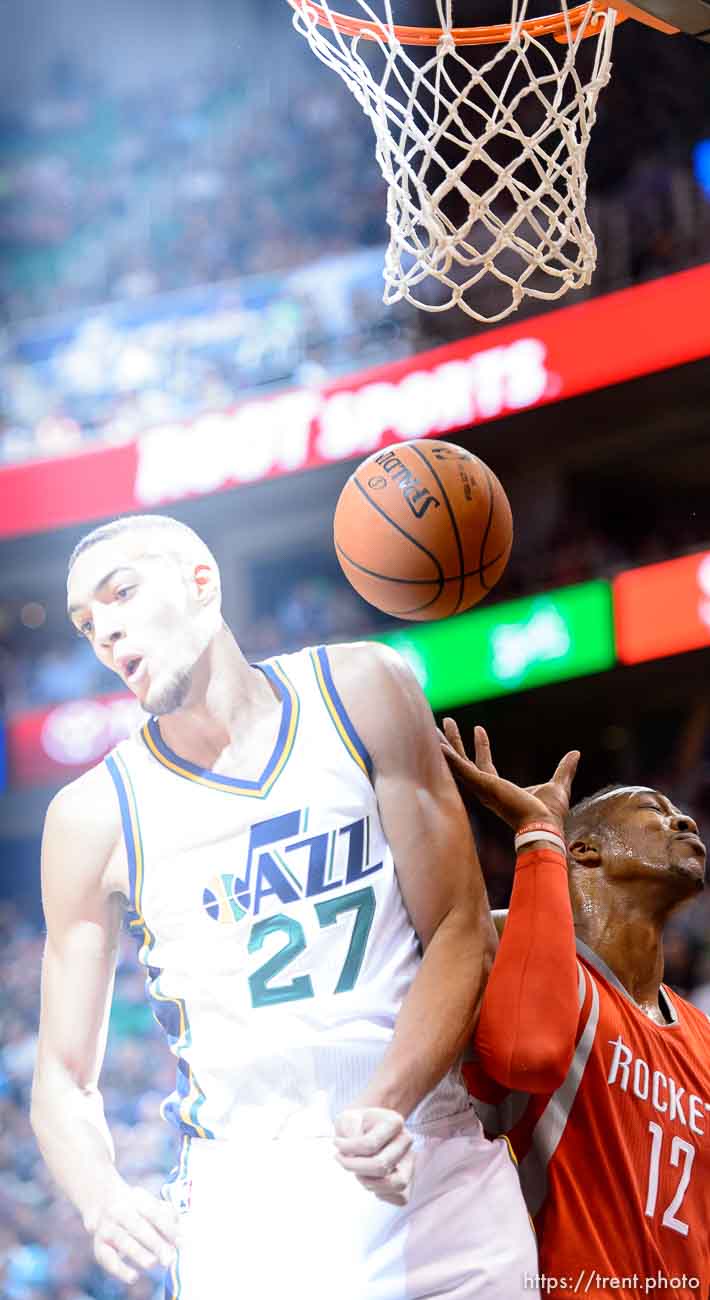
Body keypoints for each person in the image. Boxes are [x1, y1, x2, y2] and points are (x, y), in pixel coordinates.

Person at [30, 514, 537, 1300]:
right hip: (249, 1198)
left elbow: (460, 930)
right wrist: (103, 1200)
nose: (105, 629)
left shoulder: (362, 689)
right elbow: (62, 1079)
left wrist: (389, 1100)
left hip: (431, 1161)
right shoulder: (91, 816)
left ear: (204, 582)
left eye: (121, 593)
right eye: (86, 621)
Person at [440, 720, 710, 1300]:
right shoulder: (503, 954)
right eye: (653, 810)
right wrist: (538, 834)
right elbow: (527, 1052)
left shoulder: (703, 1037)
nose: (684, 819)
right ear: (584, 849)